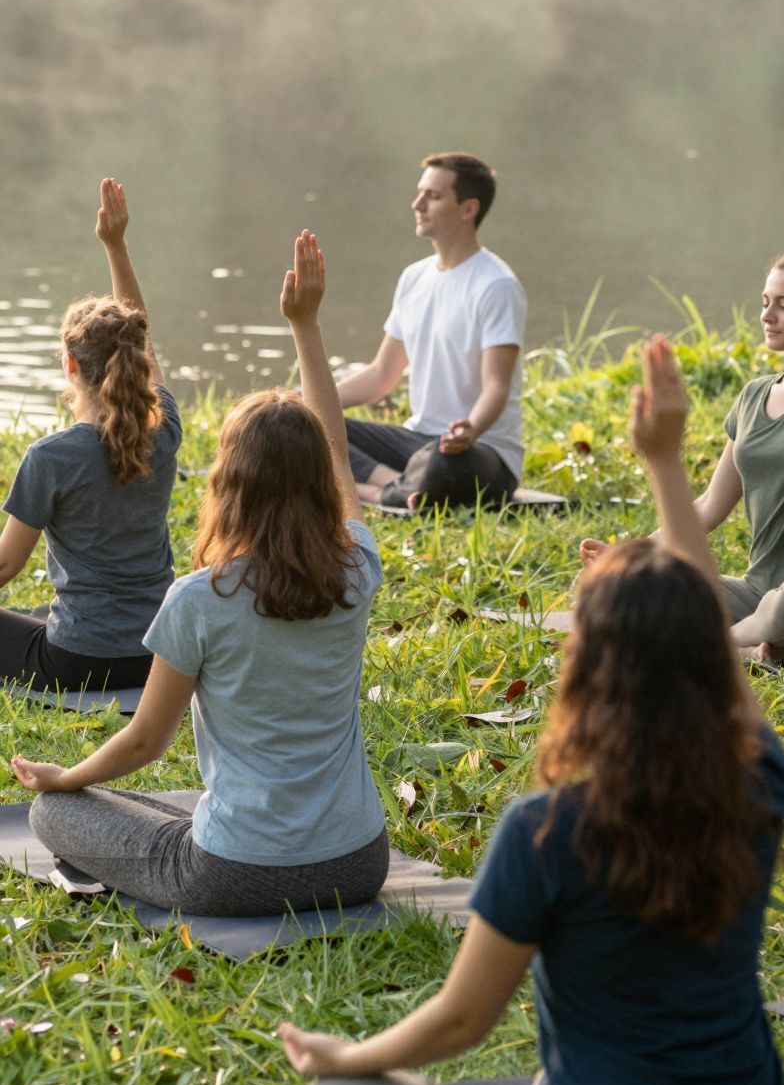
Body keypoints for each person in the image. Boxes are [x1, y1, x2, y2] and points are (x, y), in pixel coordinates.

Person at [278, 336, 784, 1085]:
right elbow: (720, 668)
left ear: (587, 671)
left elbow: (459, 1024)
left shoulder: (548, 831)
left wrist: (345, 1056)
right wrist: (664, 466)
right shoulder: (754, 785)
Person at [11, 232, 390, 918]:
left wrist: (66, 777)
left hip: (235, 875)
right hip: (359, 862)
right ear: (316, 484)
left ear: (228, 484)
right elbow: (335, 446)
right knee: (135, 807)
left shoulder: (200, 599)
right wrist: (306, 325)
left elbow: (146, 741)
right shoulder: (358, 565)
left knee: (53, 814)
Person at [581, 129, 784, 664]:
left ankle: (733, 641)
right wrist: (632, 556)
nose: (768, 315)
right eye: (765, 302)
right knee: (665, 585)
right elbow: (708, 506)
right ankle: (764, 642)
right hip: (755, 593)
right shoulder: (751, 399)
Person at [0, 179, 180, 694]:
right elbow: (143, 345)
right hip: (156, 654)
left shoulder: (51, 457)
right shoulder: (162, 428)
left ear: (70, 364)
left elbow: (8, 563)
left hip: (78, 660)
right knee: (31, 614)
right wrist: (117, 246)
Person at [338, 152, 526, 512]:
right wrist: (308, 400)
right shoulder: (414, 278)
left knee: (445, 466)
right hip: (416, 443)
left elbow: (497, 386)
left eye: (433, 196)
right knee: (311, 425)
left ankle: (371, 491)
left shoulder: (496, 285)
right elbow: (381, 376)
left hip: (477, 450)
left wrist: (470, 428)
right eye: (420, 193)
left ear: (468, 209)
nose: (417, 204)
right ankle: (395, 487)